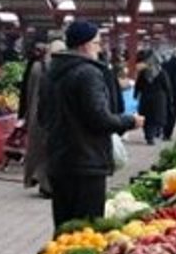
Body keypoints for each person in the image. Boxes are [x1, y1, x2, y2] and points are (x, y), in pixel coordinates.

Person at [39, 21, 143, 230]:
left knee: (64, 227)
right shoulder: (89, 73)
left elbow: (42, 116)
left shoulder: (51, 72)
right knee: (87, 229)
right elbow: (99, 118)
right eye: (97, 43)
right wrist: (129, 121)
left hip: (59, 161)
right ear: (84, 45)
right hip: (86, 163)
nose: (100, 47)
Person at [19, 41, 52, 196]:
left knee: (38, 149)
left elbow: (27, 92)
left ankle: (40, 180)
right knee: (46, 150)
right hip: (47, 115)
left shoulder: (36, 67)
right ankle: (45, 184)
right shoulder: (51, 68)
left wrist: (25, 113)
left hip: (36, 113)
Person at [134, 51, 173, 145]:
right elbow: (167, 87)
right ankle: (153, 134)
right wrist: (169, 98)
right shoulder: (161, 72)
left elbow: (138, 85)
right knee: (156, 119)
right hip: (159, 99)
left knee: (147, 118)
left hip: (146, 97)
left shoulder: (143, 72)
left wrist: (135, 95)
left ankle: (149, 136)